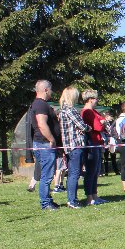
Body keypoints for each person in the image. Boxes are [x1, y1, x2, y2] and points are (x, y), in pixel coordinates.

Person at [30, 80, 61, 210]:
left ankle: (48, 200)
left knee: (47, 174)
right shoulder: (41, 105)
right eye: (51, 90)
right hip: (44, 144)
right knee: (47, 175)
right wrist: (51, 139)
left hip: (42, 143)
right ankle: (45, 203)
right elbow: (42, 124)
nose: (52, 92)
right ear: (46, 90)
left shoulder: (39, 104)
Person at [57, 87, 89, 209]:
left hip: (68, 147)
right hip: (75, 145)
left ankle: (72, 199)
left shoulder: (62, 111)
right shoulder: (71, 110)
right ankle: (72, 200)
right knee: (74, 174)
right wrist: (89, 128)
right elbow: (83, 126)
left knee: (71, 173)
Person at [80, 90, 108, 205]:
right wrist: (103, 122)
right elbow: (98, 126)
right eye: (96, 99)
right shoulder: (88, 112)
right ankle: (89, 197)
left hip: (97, 142)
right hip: (91, 142)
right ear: (90, 99)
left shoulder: (93, 111)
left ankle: (95, 195)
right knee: (91, 171)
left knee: (95, 171)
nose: (97, 101)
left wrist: (103, 122)